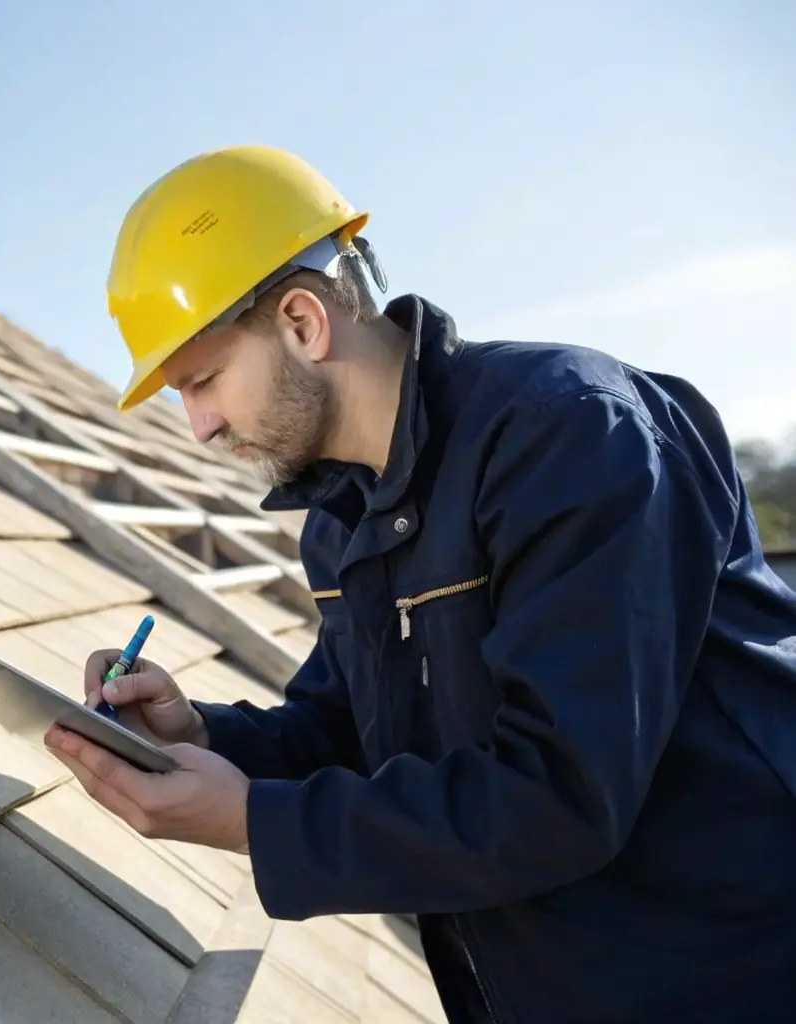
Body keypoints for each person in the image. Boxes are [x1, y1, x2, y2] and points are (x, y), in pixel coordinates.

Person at [43, 144, 796, 1022]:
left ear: (302, 321)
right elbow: (357, 738)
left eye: (202, 380)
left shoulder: (569, 435)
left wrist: (253, 821)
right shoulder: (340, 523)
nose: (199, 426)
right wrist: (199, 734)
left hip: (731, 979)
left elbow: (560, 794)